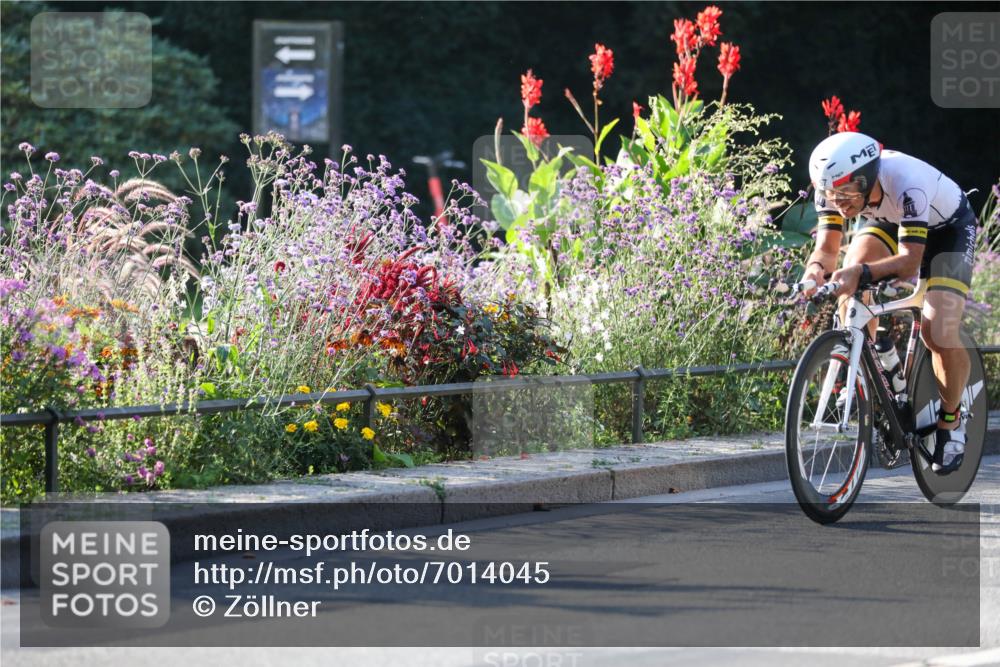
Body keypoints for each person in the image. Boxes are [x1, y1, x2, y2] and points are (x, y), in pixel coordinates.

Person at [801, 131, 978, 474]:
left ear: (866, 178)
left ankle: (951, 421)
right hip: (888, 219)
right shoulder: (835, 189)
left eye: (845, 192)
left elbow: (910, 262)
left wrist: (857, 273)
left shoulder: (906, 181)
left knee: (937, 331)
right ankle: (861, 372)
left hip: (948, 229)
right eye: (829, 193)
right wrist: (814, 272)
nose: (837, 201)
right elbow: (826, 249)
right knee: (852, 278)